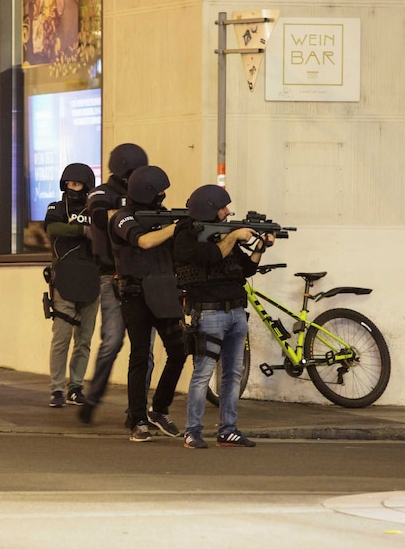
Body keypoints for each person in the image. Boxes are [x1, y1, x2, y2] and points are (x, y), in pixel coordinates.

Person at [173, 184, 272, 448]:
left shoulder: (225, 235)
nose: (228, 212)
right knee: (203, 373)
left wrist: (260, 245)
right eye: (222, 208)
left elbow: (246, 269)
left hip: (236, 311)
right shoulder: (187, 235)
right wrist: (233, 236)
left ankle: (228, 429)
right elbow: (210, 257)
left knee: (233, 374)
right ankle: (192, 431)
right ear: (208, 209)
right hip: (209, 311)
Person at [109, 165, 187, 442]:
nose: (164, 195)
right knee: (140, 356)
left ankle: (160, 410)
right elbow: (143, 241)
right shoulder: (123, 217)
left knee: (179, 350)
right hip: (135, 293)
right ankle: (137, 418)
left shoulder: (164, 217)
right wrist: (176, 228)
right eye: (160, 191)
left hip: (165, 291)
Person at [79, 143, 155, 425]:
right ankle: (93, 397)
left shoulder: (143, 194)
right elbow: (98, 213)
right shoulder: (103, 193)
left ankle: (136, 411)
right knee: (112, 342)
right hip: (111, 276)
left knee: (144, 349)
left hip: (142, 276)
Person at [44, 163, 100, 407]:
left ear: (86, 186)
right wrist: (81, 230)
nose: (72, 188)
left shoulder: (95, 209)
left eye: (77, 185)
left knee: (84, 339)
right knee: (61, 338)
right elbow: (52, 228)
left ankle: (75, 387)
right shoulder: (56, 208)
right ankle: (57, 389)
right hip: (64, 279)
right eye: (69, 184)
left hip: (91, 278)